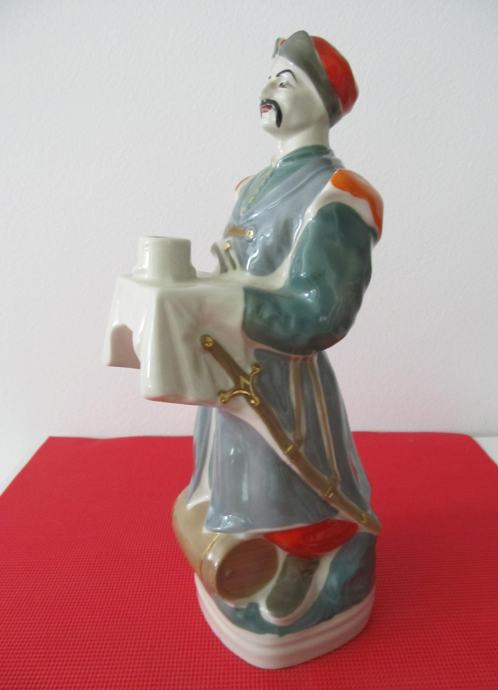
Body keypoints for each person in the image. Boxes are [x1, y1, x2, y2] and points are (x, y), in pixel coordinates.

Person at [183, 30, 383, 643]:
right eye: (271, 74)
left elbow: (323, 312)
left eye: (287, 79)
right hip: (228, 366)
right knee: (228, 475)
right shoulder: (249, 187)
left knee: (291, 477)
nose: (269, 86)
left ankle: (308, 556)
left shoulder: (337, 195)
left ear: (323, 102)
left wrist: (229, 303)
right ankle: (249, 550)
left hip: (284, 376)